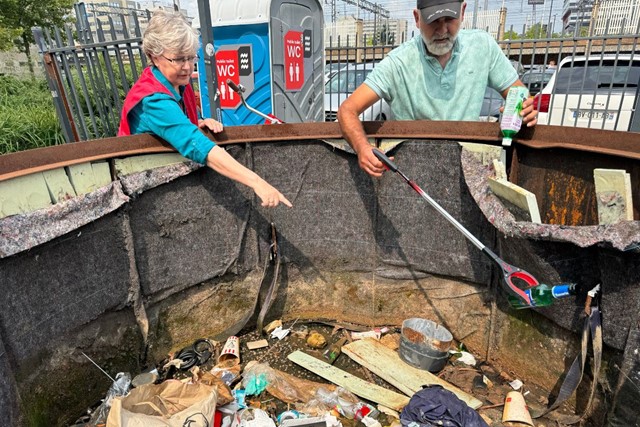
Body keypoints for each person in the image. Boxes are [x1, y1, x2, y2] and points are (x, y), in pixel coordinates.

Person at [337, 0, 539, 177]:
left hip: (469, 170)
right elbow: (348, 109)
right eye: (434, 20)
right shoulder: (397, 63)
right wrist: (362, 147)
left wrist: (522, 110)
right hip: (413, 172)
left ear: (462, 11)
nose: (442, 31)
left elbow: (519, 93)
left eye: (449, 19)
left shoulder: (482, 47)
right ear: (417, 18)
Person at [118, 10, 291, 209]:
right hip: (150, 192)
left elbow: (175, 126)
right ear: (154, 57)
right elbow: (196, 144)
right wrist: (257, 182)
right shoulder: (153, 99)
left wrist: (197, 123)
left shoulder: (176, 82)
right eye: (179, 59)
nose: (187, 67)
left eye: (191, 58)